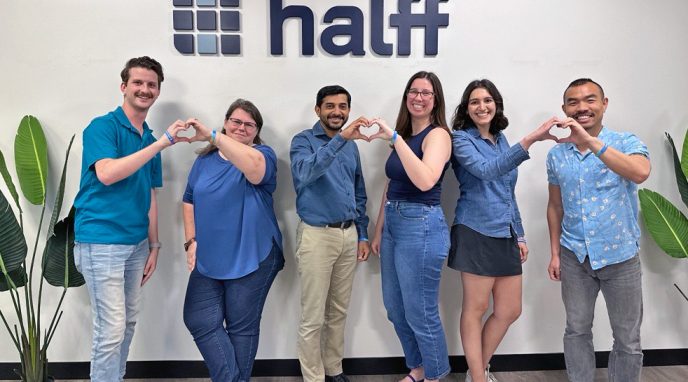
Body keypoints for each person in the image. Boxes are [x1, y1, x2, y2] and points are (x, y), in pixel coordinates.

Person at [73, 56, 189, 381]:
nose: (144, 89)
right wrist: (163, 143)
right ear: (124, 87)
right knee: (110, 330)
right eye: (138, 83)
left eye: (151, 85)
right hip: (101, 242)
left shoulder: (149, 140)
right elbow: (107, 173)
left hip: (137, 245)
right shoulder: (102, 127)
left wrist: (154, 245)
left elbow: (149, 194)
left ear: (157, 92)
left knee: (127, 323)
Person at [448, 79, 558, 382]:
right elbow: (487, 172)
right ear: (466, 109)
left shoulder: (501, 139)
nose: (481, 106)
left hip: (505, 231)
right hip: (474, 229)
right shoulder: (460, 139)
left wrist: (519, 233)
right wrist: (533, 138)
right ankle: (479, 377)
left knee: (509, 310)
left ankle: (477, 369)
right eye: (474, 102)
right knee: (476, 307)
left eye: (487, 100)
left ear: (495, 104)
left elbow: (507, 190)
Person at [546, 78, 650, 382]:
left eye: (590, 100)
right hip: (574, 256)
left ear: (604, 104)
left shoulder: (627, 142)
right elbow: (555, 206)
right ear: (564, 109)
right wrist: (554, 253)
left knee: (627, 338)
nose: (582, 108)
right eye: (573, 102)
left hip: (621, 257)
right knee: (576, 330)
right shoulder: (556, 155)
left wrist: (590, 142)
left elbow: (641, 172)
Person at [181, 99, 284, 382]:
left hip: (254, 253)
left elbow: (255, 170)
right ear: (226, 122)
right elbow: (188, 201)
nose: (241, 127)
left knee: (241, 327)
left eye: (248, 124)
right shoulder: (204, 160)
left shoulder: (263, 154)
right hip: (210, 254)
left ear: (256, 131)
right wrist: (191, 241)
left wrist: (215, 136)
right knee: (199, 318)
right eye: (236, 121)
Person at [369, 71, 452, 382]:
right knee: (395, 307)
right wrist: (379, 230)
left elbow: (425, 179)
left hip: (422, 225)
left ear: (435, 100)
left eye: (426, 93)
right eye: (413, 91)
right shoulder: (405, 137)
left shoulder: (439, 135)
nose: (418, 97)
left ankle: (436, 374)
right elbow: (392, 185)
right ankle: (418, 367)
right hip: (394, 222)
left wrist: (394, 139)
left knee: (421, 311)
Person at [290, 85, 371, 382]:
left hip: (348, 236)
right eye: (330, 106)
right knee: (312, 316)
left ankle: (334, 370)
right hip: (316, 236)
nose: (337, 112)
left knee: (338, 311)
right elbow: (304, 173)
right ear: (318, 110)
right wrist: (341, 140)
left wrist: (362, 233)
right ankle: (313, 377)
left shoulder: (351, 146)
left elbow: (358, 191)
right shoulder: (303, 141)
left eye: (342, 106)